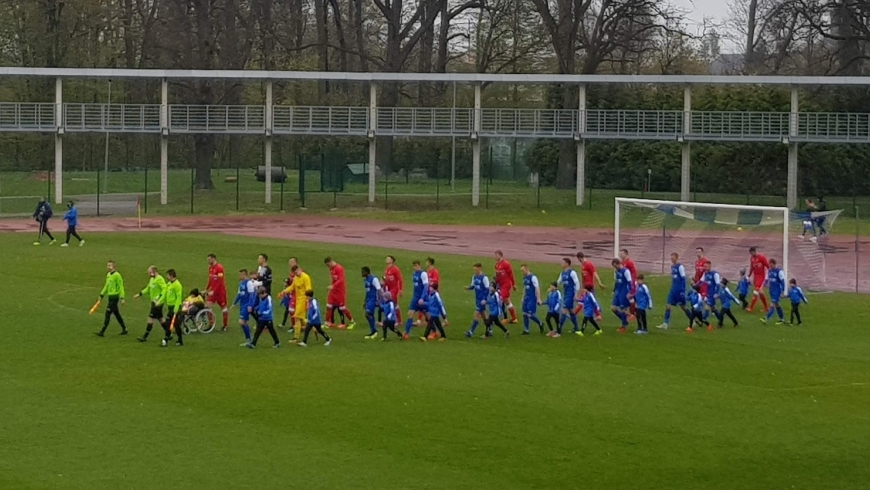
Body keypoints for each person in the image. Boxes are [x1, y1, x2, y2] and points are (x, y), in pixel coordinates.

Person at [657, 253, 689, 330]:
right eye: (671, 258)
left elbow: (683, 279)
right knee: (668, 305)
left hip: (679, 290)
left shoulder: (680, 266)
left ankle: (692, 319)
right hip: (673, 290)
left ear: (677, 258)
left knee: (683, 307)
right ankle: (665, 323)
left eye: (673, 258)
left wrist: (683, 290)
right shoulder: (672, 266)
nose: (672, 259)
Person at [134, 266, 167, 342]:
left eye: (149, 272)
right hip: (154, 302)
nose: (148, 274)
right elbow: (148, 288)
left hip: (158, 303)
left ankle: (145, 336)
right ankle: (168, 333)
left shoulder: (160, 279)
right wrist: (139, 294)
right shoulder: (152, 279)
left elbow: (165, 289)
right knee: (160, 318)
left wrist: (159, 297)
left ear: (154, 272)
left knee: (150, 318)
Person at [95, 261, 128, 337]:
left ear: (114, 267)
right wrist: (101, 295)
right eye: (107, 265)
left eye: (109, 265)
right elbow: (106, 286)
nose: (108, 267)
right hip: (110, 297)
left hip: (114, 297)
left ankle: (102, 331)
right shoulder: (108, 275)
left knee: (107, 313)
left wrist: (122, 298)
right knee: (117, 314)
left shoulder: (117, 275)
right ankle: (124, 329)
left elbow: (121, 287)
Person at [281, 265, 312, 343]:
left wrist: (308, 301)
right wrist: (284, 291)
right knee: (301, 318)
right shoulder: (296, 278)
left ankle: (296, 337)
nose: (296, 274)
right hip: (298, 300)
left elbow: (309, 289)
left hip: (303, 300)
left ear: (299, 269)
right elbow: (292, 287)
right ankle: (314, 326)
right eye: (294, 273)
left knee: (296, 317)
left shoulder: (305, 277)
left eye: (296, 272)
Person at [325, 257, 356, 329]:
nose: (328, 267)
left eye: (328, 265)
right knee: (329, 306)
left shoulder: (339, 268)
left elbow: (341, 279)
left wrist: (333, 286)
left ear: (330, 262)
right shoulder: (331, 269)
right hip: (333, 291)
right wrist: (331, 287)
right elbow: (333, 279)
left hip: (340, 291)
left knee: (342, 308)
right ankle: (327, 323)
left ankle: (352, 321)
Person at [402, 260, 429, 338]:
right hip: (415, 298)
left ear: (419, 265)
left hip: (422, 299)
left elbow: (426, 287)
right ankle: (406, 333)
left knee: (428, 316)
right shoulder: (414, 274)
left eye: (416, 265)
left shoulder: (423, 274)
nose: (415, 267)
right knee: (410, 314)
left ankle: (434, 331)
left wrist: (422, 298)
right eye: (413, 266)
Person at [575, 252, 604, 320]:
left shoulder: (588, 264)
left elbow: (594, 273)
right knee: (590, 301)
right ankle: (598, 315)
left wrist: (599, 282)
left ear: (579, 258)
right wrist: (582, 286)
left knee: (582, 301)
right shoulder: (582, 265)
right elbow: (583, 277)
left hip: (589, 286)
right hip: (586, 286)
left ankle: (573, 314)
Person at [159, 269, 184, 346]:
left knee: (169, 324)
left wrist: (176, 309)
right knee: (176, 325)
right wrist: (159, 301)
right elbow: (165, 294)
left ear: (171, 275)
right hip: (170, 307)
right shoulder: (169, 284)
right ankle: (180, 340)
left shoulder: (177, 285)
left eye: (167, 275)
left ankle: (166, 339)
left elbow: (178, 298)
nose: (166, 277)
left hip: (175, 308)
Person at [465, 263, 490, 338]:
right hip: (477, 299)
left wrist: (485, 299)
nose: (475, 271)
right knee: (484, 315)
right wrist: (468, 288)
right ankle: (489, 329)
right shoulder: (474, 277)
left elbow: (487, 289)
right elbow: (473, 286)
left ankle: (471, 331)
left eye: (476, 269)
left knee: (476, 314)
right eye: (474, 270)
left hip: (482, 300)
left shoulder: (484, 278)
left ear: (480, 269)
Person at [232, 269, 257, 346]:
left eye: (240, 275)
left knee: (241, 322)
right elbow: (239, 294)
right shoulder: (241, 283)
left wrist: (250, 305)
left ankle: (249, 339)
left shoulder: (249, 283)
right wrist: (234, 303)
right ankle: (249, 339)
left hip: (246, 305)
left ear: (244, 275)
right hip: (242, 305)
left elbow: (252, 295)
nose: (239, 276)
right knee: (245, 322)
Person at [557, 258, 581, 335]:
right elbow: (558, 282)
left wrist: (576, 294)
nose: (561, 264)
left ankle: (559, 330)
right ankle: (576, 328)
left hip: (570, 294)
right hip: (566, 293)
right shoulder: (562, 273)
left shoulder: (572, 272)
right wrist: (553, 288)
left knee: (564, 310)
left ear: (567, 263)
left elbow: (577, 283)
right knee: (571, 311)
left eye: (562, 262)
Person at [205, 254, 229, 331]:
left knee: (224, 308)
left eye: (209, 260)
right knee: (207, 306)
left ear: (213, 259)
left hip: (220, 292)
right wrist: (206, 289)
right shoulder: (210, 268)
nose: (208, 261)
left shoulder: (220, 268)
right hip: (213, 292)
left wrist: (213, 291)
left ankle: (225, 326)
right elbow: (210, 280)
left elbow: (220, 281)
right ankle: (211, 324)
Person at [494, 250, 518, 323]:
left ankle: (498, 316)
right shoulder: (496, 265)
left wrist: (514, 284)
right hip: (501, 285)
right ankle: (514, 318)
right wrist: (495, 283)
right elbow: (498, 276)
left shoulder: (506, 264)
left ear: (500, 255)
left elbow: (511, 274)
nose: (495, 257)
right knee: (507, 301)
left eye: (496, 255)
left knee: (501, 298)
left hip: (506, 284)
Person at [761, 259, 786, 325]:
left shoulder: (779, 271)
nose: (770, 266)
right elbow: (766, 279)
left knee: (772, 304)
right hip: (771, 290)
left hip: (777, 290)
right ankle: (782, 319)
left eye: (771, 265)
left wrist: (783, 291)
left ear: (774, 264)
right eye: (769, 265)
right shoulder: (769, 271)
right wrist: (763, 286)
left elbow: (783, 281)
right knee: (777, 305)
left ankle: (766, 318)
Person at [361, 266, 383, 340]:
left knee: (367, 314)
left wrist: (379, 300)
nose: (361, 273)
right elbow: (367, 291)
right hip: (369, 300)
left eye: (363, 272)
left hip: (374, 299)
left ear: (367, 272)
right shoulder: (366, 280)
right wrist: (365, 301)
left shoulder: (374, 279)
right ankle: (373, 331)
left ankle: (374, 331)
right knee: (370, 314)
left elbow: (379, 290)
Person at [520, 265, 543, 334]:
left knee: (529, 315)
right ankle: (526, 330)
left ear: (527, 269)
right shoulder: (525, 277)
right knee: (524, 314)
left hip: (532, 298)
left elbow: (537, 288)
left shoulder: (533, 277)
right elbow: (525, 287)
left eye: (523, 270)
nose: (522, 272)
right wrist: (523, 297)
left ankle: (540, 323)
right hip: (526, 297)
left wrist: (538, 298)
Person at [611, 258, 632, 333]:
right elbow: (616, 281)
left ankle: (623, 327)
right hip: (618, 292)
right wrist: (614, 290)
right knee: (613, 308)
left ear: (619, 263)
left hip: (624, 292)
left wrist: (630, 292)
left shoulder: (626, 271)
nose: (615, 267)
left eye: (615, 265)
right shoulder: (616, 271)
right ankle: (625, 320)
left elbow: (630, 282)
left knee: (623, 309)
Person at [417, 257, 440, 325]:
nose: (426, 263)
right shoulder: (428, 271)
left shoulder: (434, 271)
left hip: (432, 291)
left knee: (429, 306)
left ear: (429, 263)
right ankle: (421, 320)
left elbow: (435, 280)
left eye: (427, 262)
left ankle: (431, 320)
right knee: (422, 304)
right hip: (427, 291)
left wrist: (428, 281)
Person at [747, 247, 770, 313]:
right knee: (760, 293)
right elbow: (752, 267)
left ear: (755, 251)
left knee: (756, 292)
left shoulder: (761, 257)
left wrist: (770, 274)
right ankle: (766, 307)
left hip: (761, 277)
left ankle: (751, 308)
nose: (752, 254)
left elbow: (767, 265)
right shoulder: (752, 259)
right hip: (755, 277)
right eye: (750, 253)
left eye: (752, 252)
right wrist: (749, 275)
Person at [382, 255, 404, 324]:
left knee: (393, 303)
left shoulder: (395, 269)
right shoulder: (386, 269)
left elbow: (400, 280)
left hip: (394, 289)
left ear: (392, 261)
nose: (386, 259)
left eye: (388, 258)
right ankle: (394, 319)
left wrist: (400, 289)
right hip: (388, 289)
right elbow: (385, 279)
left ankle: (397, 320)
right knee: (389, 303)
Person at [618, 249, 638, 320]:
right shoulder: (623, 262)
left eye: (622, 254)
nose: (621, 255)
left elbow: (634, 272)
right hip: (626, 283)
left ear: (626, 254)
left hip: (631, 282)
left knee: (630, 297)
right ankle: (634, 312)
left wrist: (632, 282)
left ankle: (633, 313)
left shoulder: (629, 262)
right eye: (620, 254)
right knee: (630, 298)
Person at [702, 262, 721, 329]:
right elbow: (701, 281)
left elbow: (718, 285)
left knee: (707, 307)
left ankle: (703, 320)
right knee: (714, 309)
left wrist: (716, 293)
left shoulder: (715, 274)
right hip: (708, 294)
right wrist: (695, 285)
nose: (705, 268)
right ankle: (720, 320)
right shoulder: (706, 273)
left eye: (706, 266)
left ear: (710, 266)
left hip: (713, 295)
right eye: (704, 266)